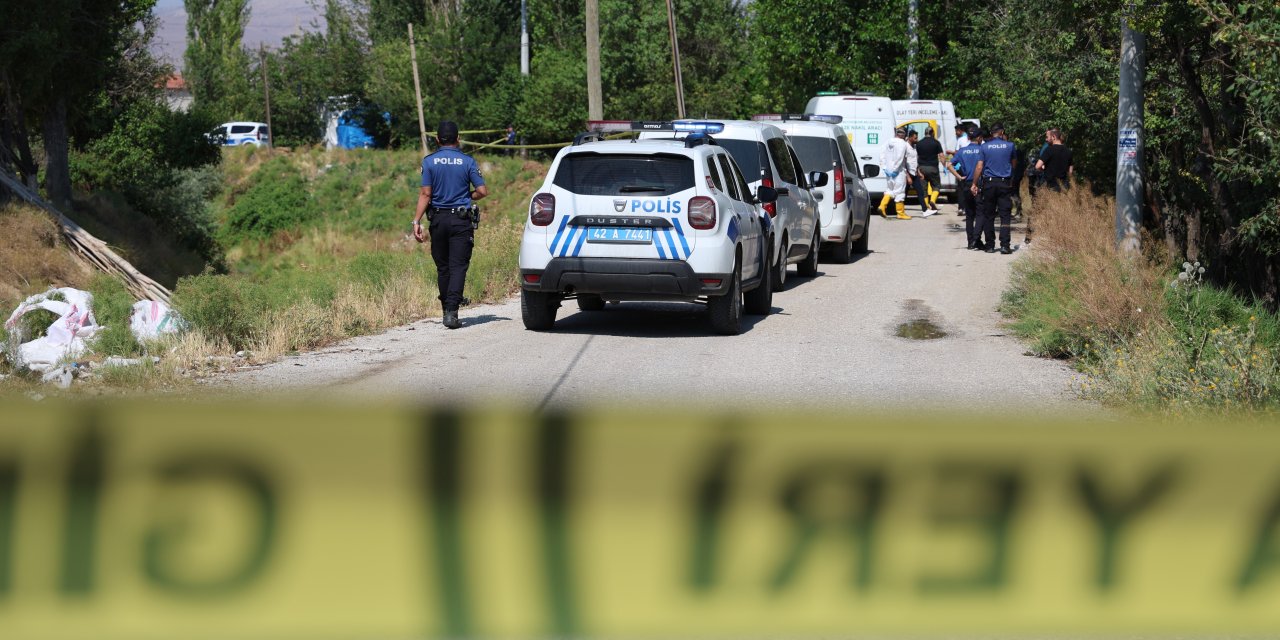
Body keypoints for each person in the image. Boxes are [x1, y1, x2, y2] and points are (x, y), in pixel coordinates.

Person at [413, 121, 488, 329]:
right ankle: (452, 313)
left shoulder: (429, 162)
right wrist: (467, 195)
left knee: (443, 267)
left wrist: (416, 220)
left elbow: (425, 193)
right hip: (461, 220)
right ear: (458, 139)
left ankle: (446, 308)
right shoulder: (468, 162)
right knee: (458, 266)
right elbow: (482, 192)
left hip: (437, 219)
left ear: (437, 140)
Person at [970, 123, 1018, 254]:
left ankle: (990, 245)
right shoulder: (1010, 146)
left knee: (988, 215)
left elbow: (979, 167)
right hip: (1004, 183)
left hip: (989, 184)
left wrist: (974, 183)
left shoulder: (984, 147)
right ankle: (1005, 245)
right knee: (1005, 215)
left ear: (991, 133)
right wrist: (1010, 176)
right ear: (1002, 132)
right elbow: (1014, 163)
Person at [947, 126, 985, 248]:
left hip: (966, 183)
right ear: (979, 138)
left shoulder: (962, 151)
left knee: (969, 215)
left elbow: (949, 165)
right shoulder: (982, 149)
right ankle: (976, 239)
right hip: (979, 183)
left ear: (968, 137)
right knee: (980, 213)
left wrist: (958, 176)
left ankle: (970, 242)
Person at [877, 127, 915, 220]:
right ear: (904, 135)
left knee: (890, 190)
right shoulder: (903, 144)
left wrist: (885, 168)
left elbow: (881, 154)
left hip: (888, 172)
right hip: (898, 172)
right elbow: (900, 157)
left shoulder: (887, 142)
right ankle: (900, 213)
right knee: (900, 191)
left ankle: (882, 206)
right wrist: (895, 170)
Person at [915, 126, 944, 216]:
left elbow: (915, 156)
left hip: (922, 168)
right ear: (932, 133)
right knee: (936, 186)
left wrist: (917, 169)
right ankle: (932, 200)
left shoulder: (919, 143)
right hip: (933, 168)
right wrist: (945, 165)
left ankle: (927, 207)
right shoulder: (936, 142)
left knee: (923, 189)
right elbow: (941, 155)